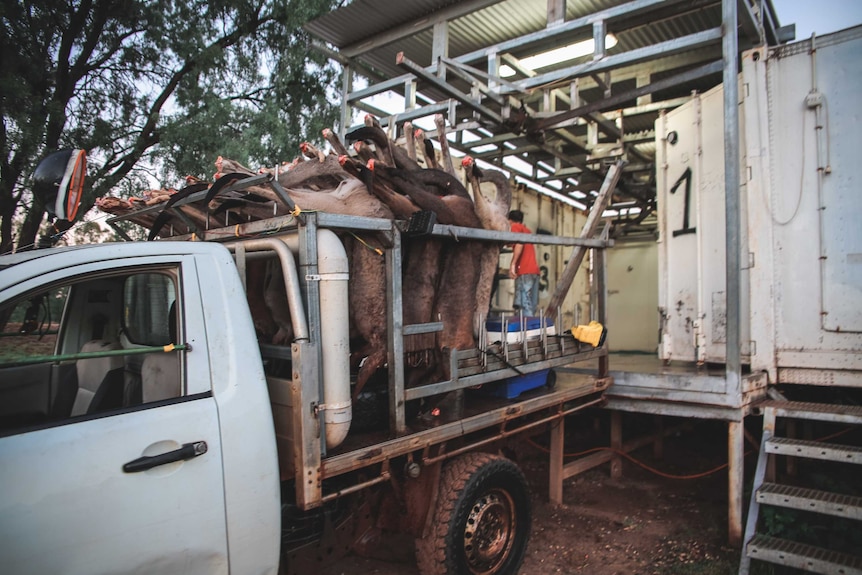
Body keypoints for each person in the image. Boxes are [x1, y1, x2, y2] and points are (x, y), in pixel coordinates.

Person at [507, 209, 540, 316]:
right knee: (531, 305)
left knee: (524, 306)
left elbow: (519, 243)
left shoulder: (515, 227)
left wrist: (512, 265)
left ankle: (525, 332)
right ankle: (532, 330)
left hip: (524, 271)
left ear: (510, 220)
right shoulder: (526, 230)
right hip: (534, 271)